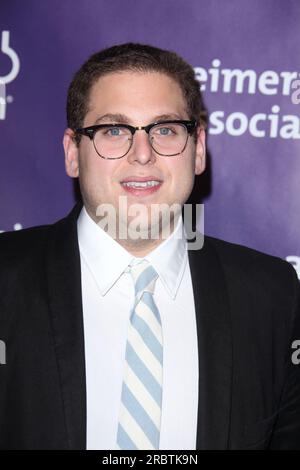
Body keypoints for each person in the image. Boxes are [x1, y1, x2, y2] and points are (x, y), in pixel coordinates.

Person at [0, 43, 299, 451]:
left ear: (198, 150)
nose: (143, 154)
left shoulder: (274, 296)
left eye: (165, 130)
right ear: (73, 153)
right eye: (113, 130)